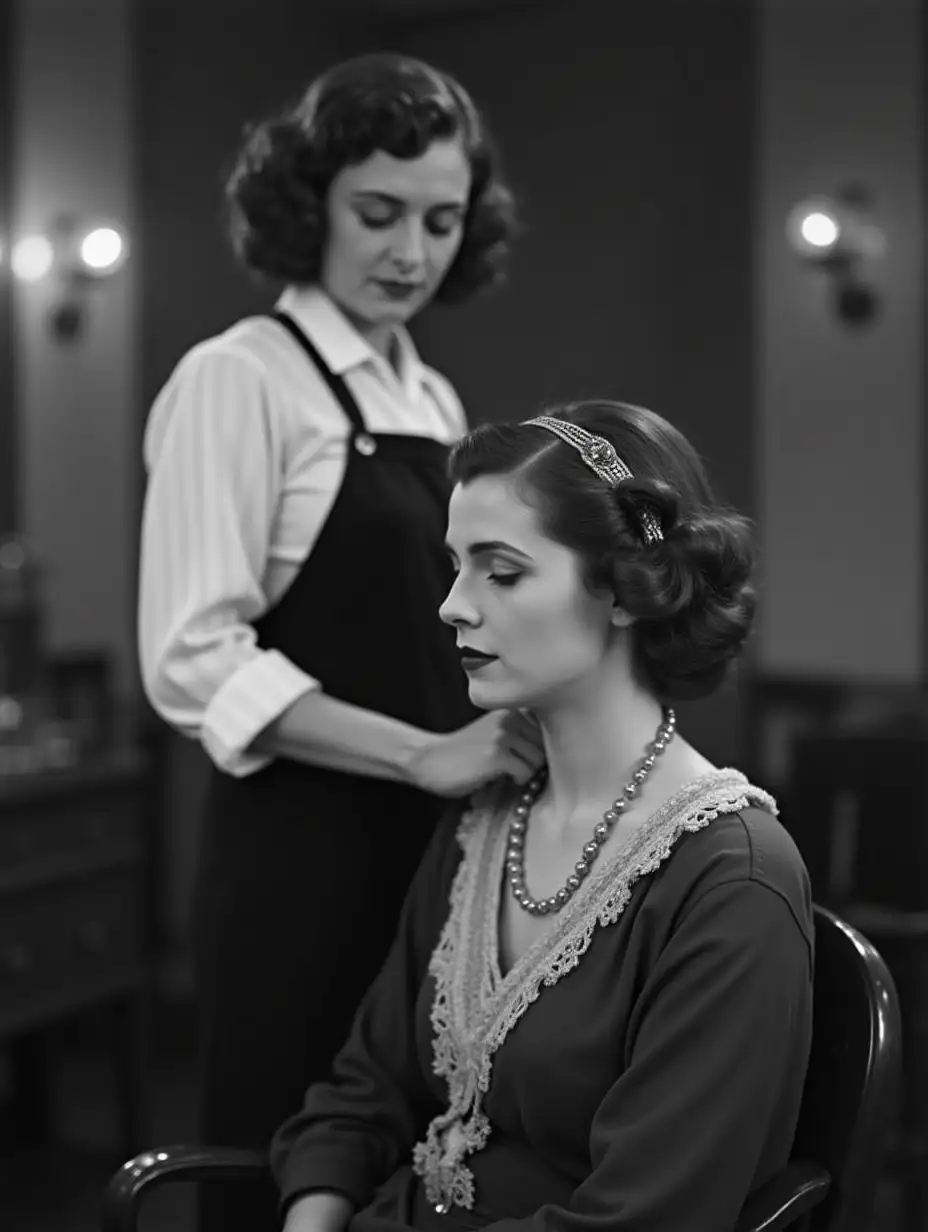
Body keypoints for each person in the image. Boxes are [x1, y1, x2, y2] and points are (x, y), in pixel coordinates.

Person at [137, 53, 544, 1232]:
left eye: (440, 219)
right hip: (296, 860)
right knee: (282, 1158)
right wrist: (423, 752)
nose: (410, 251)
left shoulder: (435, 400)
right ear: (307, 202)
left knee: (407, 1163)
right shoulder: (238, 379)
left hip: (431, 858)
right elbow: (193, 655)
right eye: (378, 214)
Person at [270, 400, 815, 1232]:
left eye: (503, 571)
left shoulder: (732, 879)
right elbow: (361, 1092)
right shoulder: (488, 819)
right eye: (454, 566)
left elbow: (647, 1220)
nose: (454, 605)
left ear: (631, 589)